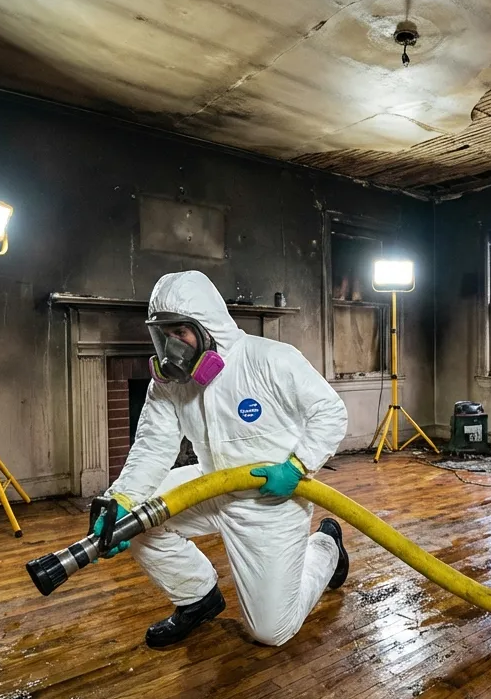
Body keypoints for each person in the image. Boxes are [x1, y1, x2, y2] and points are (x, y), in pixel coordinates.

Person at [99, 270, 351, 648]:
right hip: (210, 484)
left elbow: (329, 412)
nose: (172, 346)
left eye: (180, 332)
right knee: (134, 518)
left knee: (271, 632)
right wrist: (121, 498)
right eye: (164, 334)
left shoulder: (270, 360)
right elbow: (152, 446)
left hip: (270, 501)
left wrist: (298, 465)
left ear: (208, 326)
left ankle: (327, 547)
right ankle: (197, 598)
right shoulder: (170, 384)